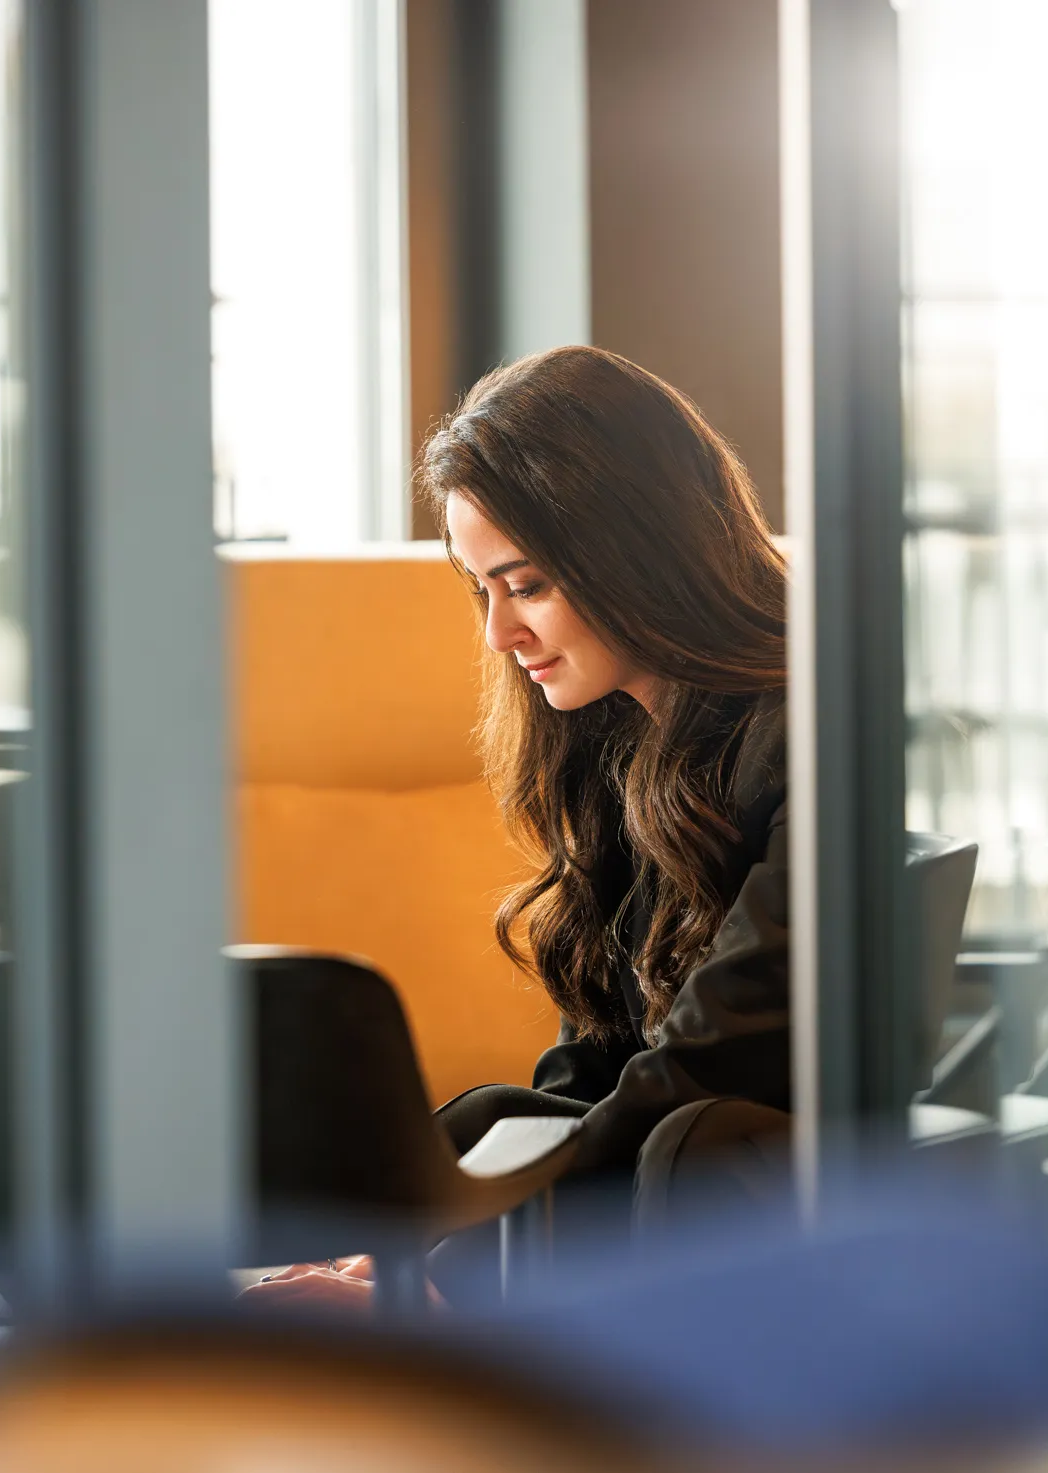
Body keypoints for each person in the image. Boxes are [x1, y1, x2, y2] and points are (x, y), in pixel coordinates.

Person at [249, 344, 791, 1307]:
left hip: (777, 1206)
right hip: (677, 1171)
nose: (500, 633)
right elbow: (598, 1057)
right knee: (497, 1114)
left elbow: (698, 1070)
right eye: (482, 589)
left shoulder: (804, 743)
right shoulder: (623, 746)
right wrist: (406, 1252)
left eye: (528, 584)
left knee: (679, 1141)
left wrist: (433, 1289)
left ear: (640, 554)